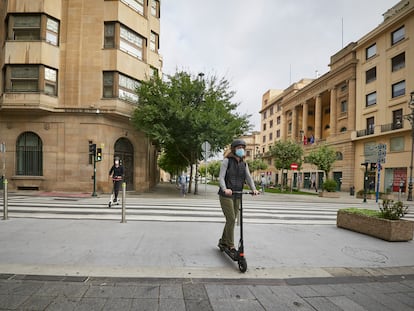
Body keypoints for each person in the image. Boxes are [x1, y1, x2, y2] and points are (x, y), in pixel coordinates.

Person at [217, 139, 260, 253]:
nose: (241, 150)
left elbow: (248, 177)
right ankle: (231, 245)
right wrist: (225, 189)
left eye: (242, 148)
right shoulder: (227, 161)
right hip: (226, 195)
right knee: (231, 219)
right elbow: (221, 177)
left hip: (237, 194)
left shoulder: (243, 163)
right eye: (238, 147)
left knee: (232, 220)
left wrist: (254, 189)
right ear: (233, 149)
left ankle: (223, 241)